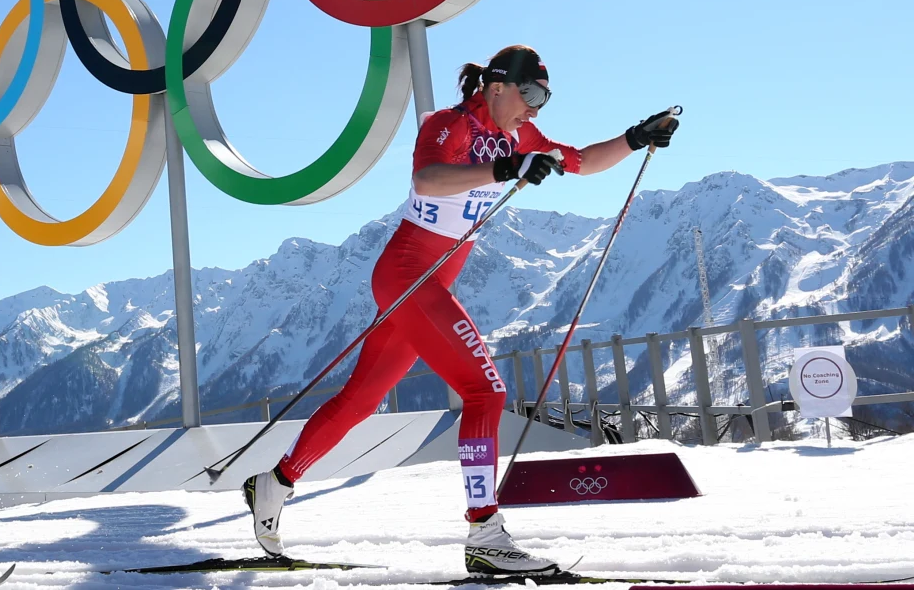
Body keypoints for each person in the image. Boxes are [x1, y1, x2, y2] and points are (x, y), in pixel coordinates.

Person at [243, 45, 679, 577]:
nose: (536, 110)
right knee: (486, 390)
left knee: (360, 399)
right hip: (408, 272)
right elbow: (427, 179)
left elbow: (582, 162)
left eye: (544, 98)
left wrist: (636, 139)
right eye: (531, 95)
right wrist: (502, 168)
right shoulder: (449, 126)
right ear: (496, 88)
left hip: (423, 282)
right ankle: (484, 532)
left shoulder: (520, 136)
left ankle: (276, 481)